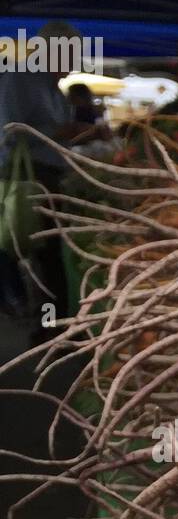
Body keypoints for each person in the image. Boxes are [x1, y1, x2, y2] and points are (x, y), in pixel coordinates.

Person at [0, 21, 100, 321]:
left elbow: (52, 132)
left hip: (51, 176)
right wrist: (66, 130)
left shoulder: (51, 85)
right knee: (45, 251)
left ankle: (53, 318)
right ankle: (50, 322)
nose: (75, 62)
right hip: (32, 178)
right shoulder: (21, 77)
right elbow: (11, 130)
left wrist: (79, 133)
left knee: (51, 251)